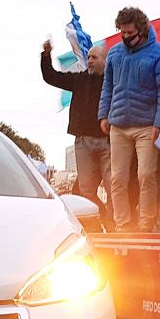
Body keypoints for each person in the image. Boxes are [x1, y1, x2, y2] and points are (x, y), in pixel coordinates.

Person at [98, 7, 160, 232]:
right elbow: (107, 87)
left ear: (141, 30)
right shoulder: (114, 53)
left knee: (146, 175)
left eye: (129, 33)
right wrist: (103, 114)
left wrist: (159, 123)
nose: (125, 37)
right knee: (117, 179)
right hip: (118, 124)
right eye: (122, 32)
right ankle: (122, 225)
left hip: (147, 126)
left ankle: (145, 224)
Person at [42, 40, 112, 229]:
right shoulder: (79, 80)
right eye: (88, 57)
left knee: (114, 188)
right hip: (83, 143)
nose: (89, 61)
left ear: (105, 61)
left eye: (94, 57)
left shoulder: (112, 82)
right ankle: (101, 219)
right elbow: (51, 77)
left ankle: (114, 226)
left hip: (108, 143)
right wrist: (46, 54)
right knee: (86, 190)